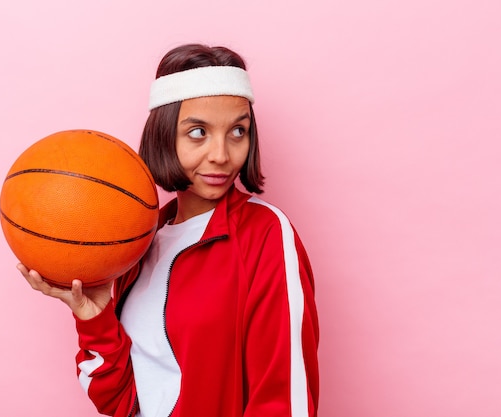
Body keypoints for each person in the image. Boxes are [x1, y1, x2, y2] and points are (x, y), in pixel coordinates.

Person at [19, 43, 319, 417]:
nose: (222, 155)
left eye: (238, 131)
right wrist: (94, 316)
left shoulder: (265, 234)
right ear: (164, 135)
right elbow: (120, 402)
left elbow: (284, 398)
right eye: (198, 132)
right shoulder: (138, 241)